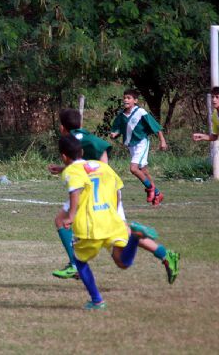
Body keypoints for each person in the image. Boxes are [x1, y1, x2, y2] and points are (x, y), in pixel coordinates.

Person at [48, 109, 180, 284]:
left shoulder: (72, 140)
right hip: (100, 188)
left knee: (64, 221)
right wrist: (65, 169)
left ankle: (75, 264)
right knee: (119, 232)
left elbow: (93, 164)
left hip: (98, 190)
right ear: (80, 124)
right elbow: (91, 163)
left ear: (62, 127)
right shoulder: (84, 137)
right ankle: (164, 254)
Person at [58, 135, 166, 310]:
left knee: (79, 261)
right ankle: (135, 236)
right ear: (83, 152)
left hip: (89, 226)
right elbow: (117, 190)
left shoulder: (71, 172)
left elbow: (75, 190)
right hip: (111, 220)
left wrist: (70, 216)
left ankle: (97, 300)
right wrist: (114, 213)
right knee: (122, 262)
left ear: (64, 156)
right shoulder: (103, 167)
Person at [110, 89, 168, 206]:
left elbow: (155, 127)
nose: (126, 100)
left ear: (135, 101)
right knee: (144, 171)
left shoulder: (141, 112)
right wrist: (114, 134)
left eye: (129, 98)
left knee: (133, 168)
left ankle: (150, 188)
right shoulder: (121, 115)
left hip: (141, 143)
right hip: (131, 146)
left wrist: (162, 141)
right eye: (125, 97)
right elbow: (118, 129)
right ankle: (157, 194)